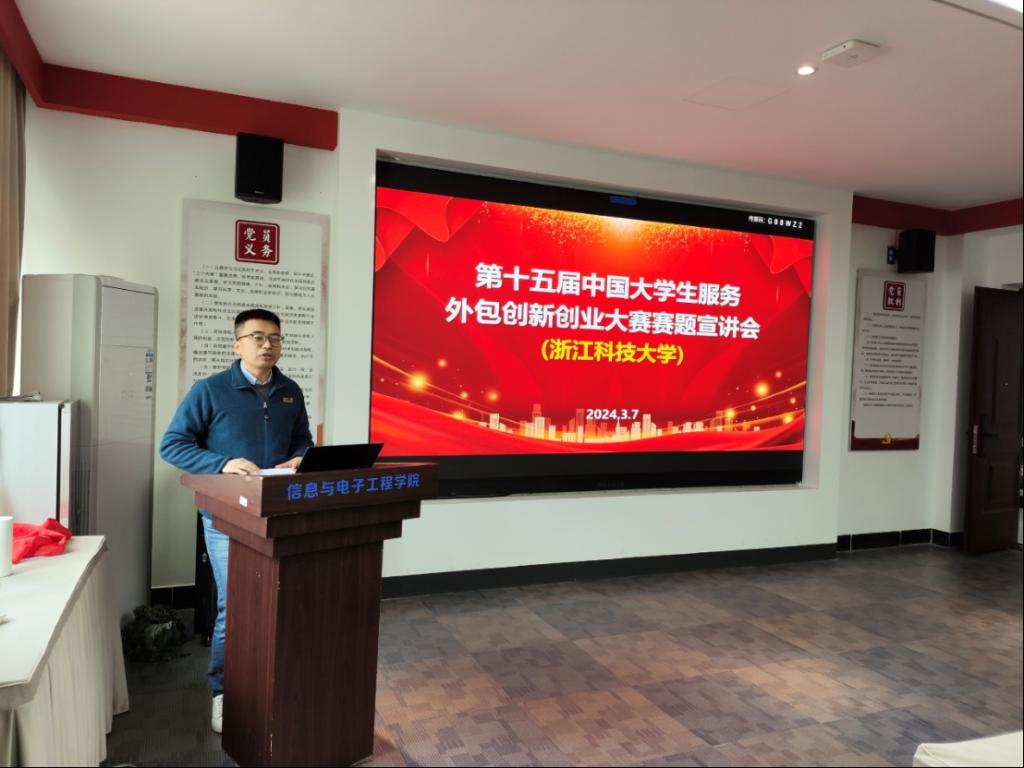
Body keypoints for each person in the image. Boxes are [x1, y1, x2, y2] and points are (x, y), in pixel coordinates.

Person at [159, 308, 313, 734]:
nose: (268, 345)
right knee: (238, 604)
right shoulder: (210, 390)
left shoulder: (290, 391)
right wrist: (222, 463)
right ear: (237, 344)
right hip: (226, 517)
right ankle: (223, 692)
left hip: (279, 513)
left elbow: (302, 441)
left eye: (275, 338)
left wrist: (301, 458)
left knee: (280, 601)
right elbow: (172, 445)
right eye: (258, 337)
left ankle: (271, 682)